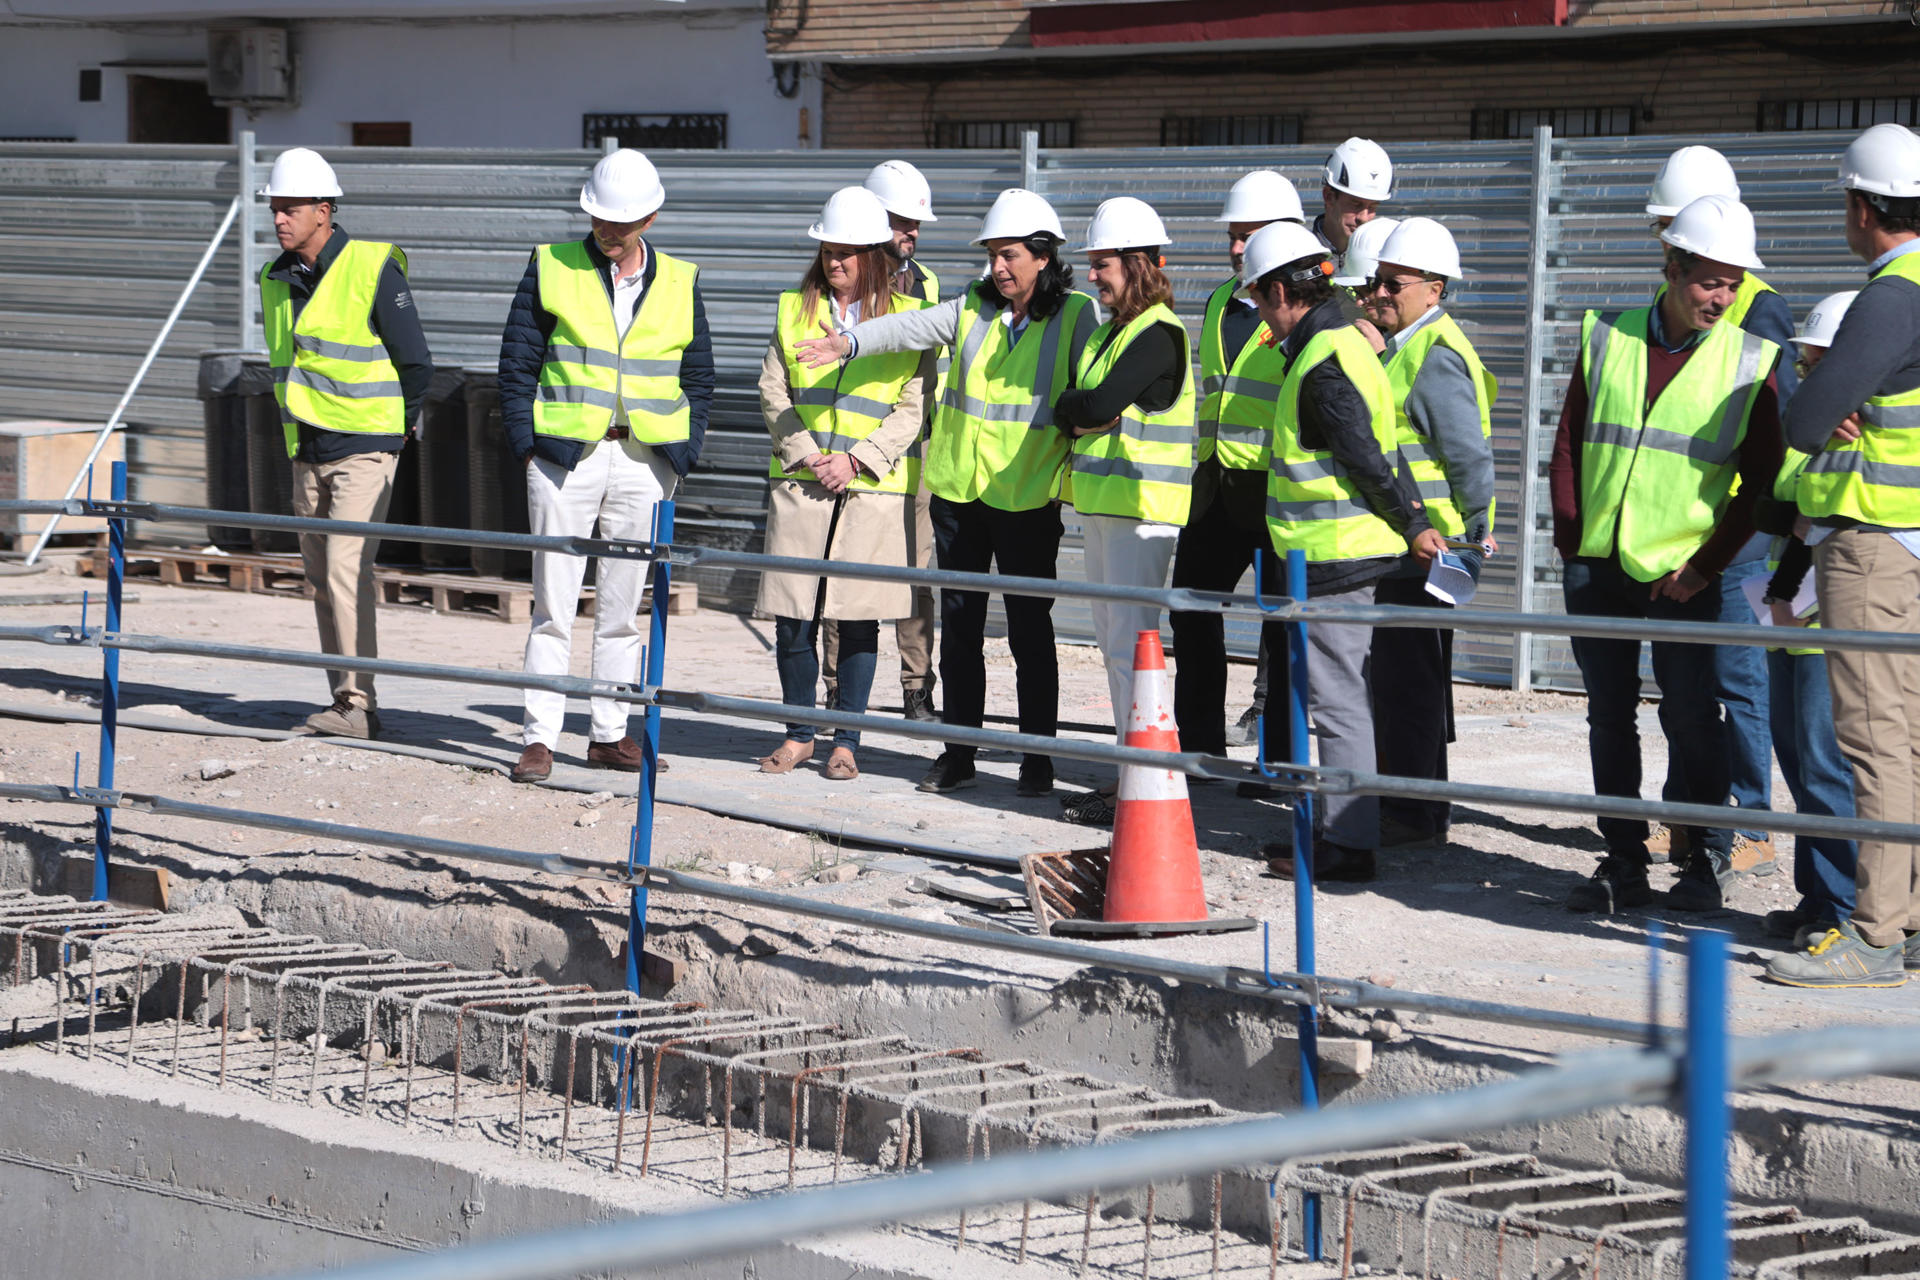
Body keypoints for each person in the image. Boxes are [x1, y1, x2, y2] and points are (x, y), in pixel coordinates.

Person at [795, 188, 1097, 798]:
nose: (998, 267)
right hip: (961, 496)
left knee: (1029, 634)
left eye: (1009, 254)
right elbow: (908, 326)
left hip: (1028, 500)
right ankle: (959, 753)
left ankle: (1037, 759)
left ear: (1043, 256)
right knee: (960, 633)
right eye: (992, 255)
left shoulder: (1078, 315)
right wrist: (847, 342)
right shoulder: (971, 310)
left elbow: (1096, 387)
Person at [1549, 194, 1785, 915]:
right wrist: (1571, 540)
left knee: (1690, 716)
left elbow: (1763, 487)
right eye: (1709, 280)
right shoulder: (1607, 334)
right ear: (1672, 267)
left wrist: (1707, 567)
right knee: (1609, 716)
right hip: (1599, 569)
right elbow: (1568, 444)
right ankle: (1622, 861)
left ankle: (1704, 860)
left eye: (1733, 282)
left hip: (1684, 577)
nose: (1721, 296)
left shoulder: (1752, 361)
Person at [497, 149, 714, 784]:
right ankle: (539, 737)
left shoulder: (680, 279)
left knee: (623, 610)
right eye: (597, 217)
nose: (605, 230)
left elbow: (698, 374)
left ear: (650, 216)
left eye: (618, 221)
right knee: (552, 604)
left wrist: (684, 452)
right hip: (566, 457)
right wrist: (527, 446)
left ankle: (610, 734)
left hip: (646, 461)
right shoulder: (551, 266)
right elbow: (517, 362)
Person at [1766, 123, 1920, 988]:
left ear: (1862, 208)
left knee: (1874, 742)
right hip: (1915, 538)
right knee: (1913, 739)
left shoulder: (1893, 294)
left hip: (1869, 542)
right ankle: (1911, 919)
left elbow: (1801, 420)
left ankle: (1874, 934)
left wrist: (1833, 399)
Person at [1242, 222, 1430, 883]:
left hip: (1337, 557)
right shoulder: (1343, 342)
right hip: (1340, 553)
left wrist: (1411, 523)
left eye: (1261, 302)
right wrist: (1414, 520)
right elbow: (1386, 447)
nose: (1262, 317)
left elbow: (1363, 454)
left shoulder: (1323, 357)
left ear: (1278, 291)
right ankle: (1335, 831)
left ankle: (1349, 846)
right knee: (1340, 699)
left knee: (1339, 704)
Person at [1643, 145, 1801, 877]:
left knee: (1736, 676)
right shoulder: (1691, 299)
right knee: (1684, 686)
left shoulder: (1755, 304)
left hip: (1736, 529)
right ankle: (1687, 819)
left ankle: (1752, 822)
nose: (1666, 245)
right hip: (1690, 524)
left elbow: (1758, 429)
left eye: (1673, 227)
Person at [754, 188, 936, 782]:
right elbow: (772, 390)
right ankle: (799, 734)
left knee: (858, 617)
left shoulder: (907, 319)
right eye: (829, 251)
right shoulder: (793, 310)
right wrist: (809, 455)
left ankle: (847, 741)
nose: (836, 263)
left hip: (869, 487)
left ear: (875, 255)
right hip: (805, 482)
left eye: (848, 253)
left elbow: (915, 404)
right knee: (793, 616)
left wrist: (858, 460)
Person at [257, 146, 433, 741]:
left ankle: (360, 701)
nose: (279, 219)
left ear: (324, 211)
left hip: (366, 446)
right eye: (274, 209)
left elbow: (416, 362)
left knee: (345, 568)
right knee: (319, 576)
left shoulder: (372, 267)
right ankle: (341, 698)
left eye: (290, 208)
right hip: (307, 449)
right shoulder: (275, 279)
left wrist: (396, 433)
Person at [1053, 198, 1195, 825]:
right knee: (1115, 646)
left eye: (1102, 263)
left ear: (1137, 264)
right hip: (1109, 506)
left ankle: (1146, 775)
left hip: (1144, 510)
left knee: (1135, 646)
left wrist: (1079, 409)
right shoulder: (1115, 331)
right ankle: (1128, 770)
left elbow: (1101, 402)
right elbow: (1082, 405)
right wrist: (1077, 408)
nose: (1091, 276)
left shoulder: (1159, 333)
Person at [1359, 218, 1497, 851]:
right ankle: (1413, 806)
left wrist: (1472, 540)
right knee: (1405, 677)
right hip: (1410, 543)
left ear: (1433, 289)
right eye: (1377, 282)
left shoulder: (1434, 353)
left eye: (1394, 283)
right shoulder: (1402, 344)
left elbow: (1468, 457)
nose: (1380, 293)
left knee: (1409, 681)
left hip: (1430, 548)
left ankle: (1413, 814)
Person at [1169, 171, 1303, 761]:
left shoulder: (1307, 311)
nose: (1236, 248)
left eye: (1248, 236)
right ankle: (1200, 747)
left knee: (1284, 628)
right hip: (1214, 487)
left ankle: (1279, 758)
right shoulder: (1222, 298)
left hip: (1275, 489)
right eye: (1232, 235)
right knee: (1191, 614)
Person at [1746, 293, 1861, 955]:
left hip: (1828, 615)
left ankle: (1846, 910)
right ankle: (1817, 897)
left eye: (1822, 367)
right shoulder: (1811, 421)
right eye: (1808, 366)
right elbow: (1777, 501)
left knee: (1826, 764)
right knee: (1797, 760)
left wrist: (1791, 513)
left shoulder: (1872, 429)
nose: (1810, 380)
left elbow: (1822, 511)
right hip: (1790, 605)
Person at [817, 160, 943, 725]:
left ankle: (917, 688)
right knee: (839, 579)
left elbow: (923, 383)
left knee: (915, 578)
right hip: (838, 457)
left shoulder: (929, 286)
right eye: (900, 222)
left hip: (906, 457)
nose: (911, 233)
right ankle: (837, 690)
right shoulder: (833, 287)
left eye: (917, 224)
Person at [1313, 138, 1393, 273]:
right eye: (1356, 204)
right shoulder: (1300, 257)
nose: (1363, 218)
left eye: (1372, 207)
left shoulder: (1384, 261)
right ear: (1329, 197)